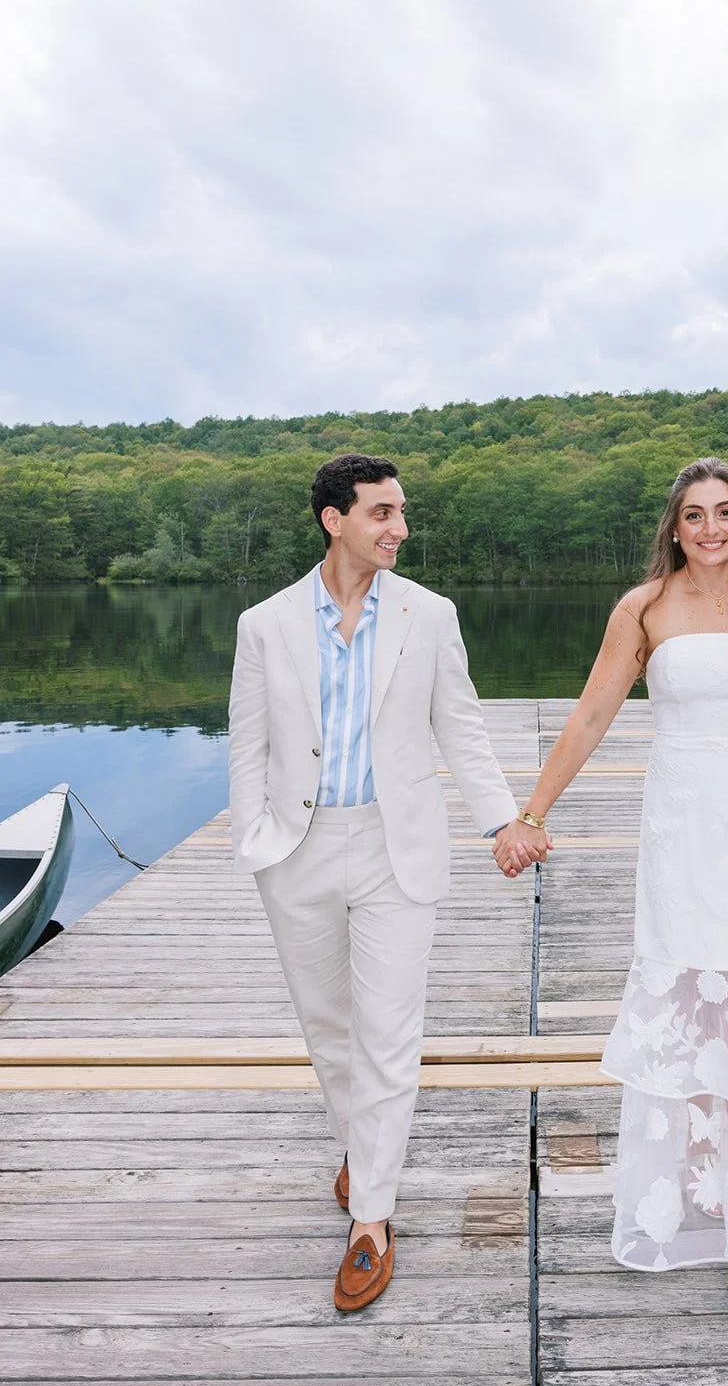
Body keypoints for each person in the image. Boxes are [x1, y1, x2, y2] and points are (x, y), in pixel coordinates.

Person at [494, 456, 728, 1305]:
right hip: (681, 835)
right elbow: (592, 713)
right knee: (695, 1017)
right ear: (673, 525)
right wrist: (533, 812)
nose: (710, 528)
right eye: (694, 514)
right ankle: (699, 1206)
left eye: (725, 512)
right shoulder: (642, 608)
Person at [227, 453, 549, 1312]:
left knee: (388, 1034)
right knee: (328, 1028)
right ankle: (361, 1148)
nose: (398, 528)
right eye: (381, 513)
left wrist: (502, 821)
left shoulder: (428, 615)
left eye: (401, 512)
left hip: (393, 846)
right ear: (334, 520)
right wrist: (255, 837)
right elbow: (247, 742)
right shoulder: (263, 624)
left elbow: (464, 729)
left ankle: (371, 1216)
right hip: (296, 846)